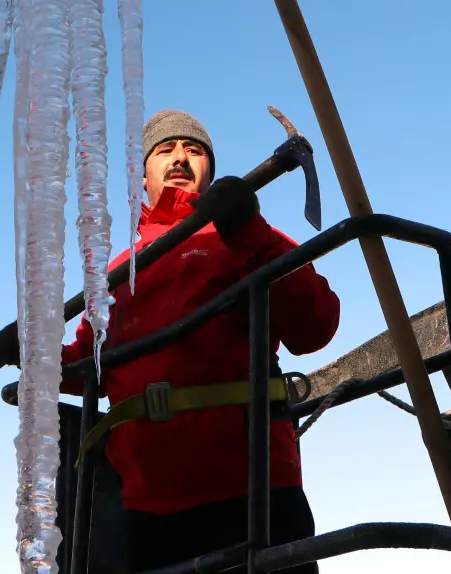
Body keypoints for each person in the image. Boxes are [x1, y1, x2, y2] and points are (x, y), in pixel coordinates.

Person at [61, 109, 341, 573]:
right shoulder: (114, 273)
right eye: (164, 149)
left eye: (194, 150)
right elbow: (85, 366)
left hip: (253, 490)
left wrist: (249, 229)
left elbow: (316, 325)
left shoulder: (247, 235)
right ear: (143, 176)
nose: (179, 157)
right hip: (146, 507)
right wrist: (33, 355)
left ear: (209, 171)